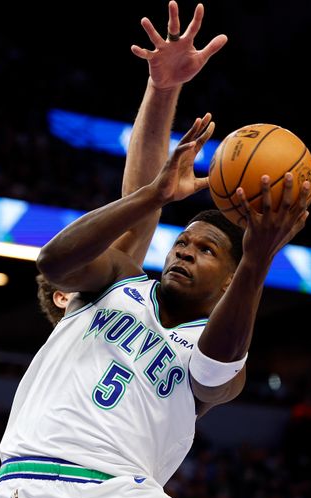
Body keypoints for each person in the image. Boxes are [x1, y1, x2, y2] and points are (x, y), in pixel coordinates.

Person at [0, 6, 310, 498]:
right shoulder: (118, 284)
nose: (184, 251)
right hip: (43, 492)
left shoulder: (217, 346)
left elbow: (216, 368)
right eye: (181, 242)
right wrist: (155, 175)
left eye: (206, 251)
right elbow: (55, 261)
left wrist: (257, 261)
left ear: (231, 281)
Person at [35, 0, 227, 328]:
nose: (118, 252)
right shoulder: (91, 301)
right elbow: (137, 215)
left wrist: (163, 88)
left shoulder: (154, 322)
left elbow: (138, 214)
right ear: (64, 296)